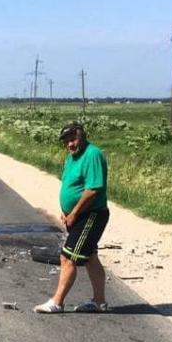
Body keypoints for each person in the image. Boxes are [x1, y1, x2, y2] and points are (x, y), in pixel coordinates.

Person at [34, 121, 110, 314]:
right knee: (91, 257)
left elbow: (93, 189)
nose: (70, 144)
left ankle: (57, 302)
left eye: (73, 139)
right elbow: (72, 186)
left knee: (68, 257)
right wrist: (67, 210)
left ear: (82, 136)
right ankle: (99, 302)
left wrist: (74, 212)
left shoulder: (92, 154)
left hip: (90, 215)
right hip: (78, 215)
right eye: (66, 141)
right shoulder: (72, 158)